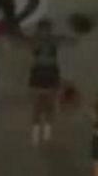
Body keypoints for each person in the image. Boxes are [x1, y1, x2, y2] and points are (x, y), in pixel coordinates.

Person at [14, 18, 76, 146]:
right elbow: (20, 42)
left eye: (47, 30)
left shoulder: (52, 40)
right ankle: (36, 131)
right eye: (43, 30)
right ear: (39, 30)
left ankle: (46, 130)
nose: (45, 32)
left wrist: (71, 38)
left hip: (49, 73)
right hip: (40, 73)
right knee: (37, 104)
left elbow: (70, 41)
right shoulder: (36, 40)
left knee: (49, 103)